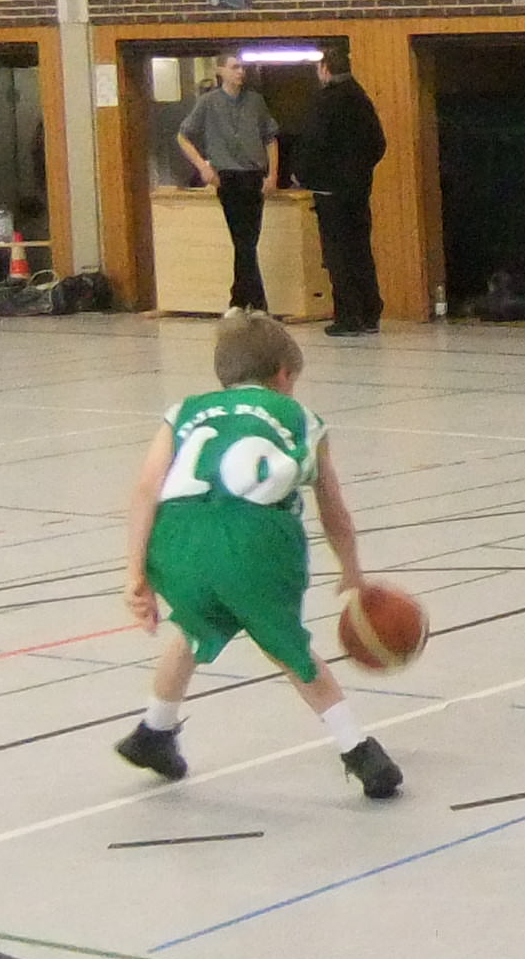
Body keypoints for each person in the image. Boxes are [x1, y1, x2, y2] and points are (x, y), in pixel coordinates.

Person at [113, 310, 404, 800]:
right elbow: (332, 508)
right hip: (253, 546)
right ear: (284, 375)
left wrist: (135, 572)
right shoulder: (303, 418)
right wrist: (352, 571)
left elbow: (146, 488)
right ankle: (360, 752)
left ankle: (154, 733)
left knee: (196, 625)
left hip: (176, 546)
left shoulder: (184, 411)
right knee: (286, 645)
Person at [175, 51, 284, 314]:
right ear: (220, 71)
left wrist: (272, 175)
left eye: (242, 68)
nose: (240, 72)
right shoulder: (208, 103)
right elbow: (183, 136)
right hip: (228, 176)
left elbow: (271, 138)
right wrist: (203, 166)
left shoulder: (255, 101)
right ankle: (256, 303)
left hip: (253, 175)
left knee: (248, 240)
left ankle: (239, 299)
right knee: (243, 239)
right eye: (234, 67)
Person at [293, 49, 388, 337]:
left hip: (330, 190)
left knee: (338, 254)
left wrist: (302, 175)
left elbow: (313, 143)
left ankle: (348, 316)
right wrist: (360, 170)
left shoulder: (325, 101)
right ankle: (370, 312)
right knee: (360, 250)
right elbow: (378, 143)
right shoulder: (361, 98)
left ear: (325, 69)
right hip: (358, 189)